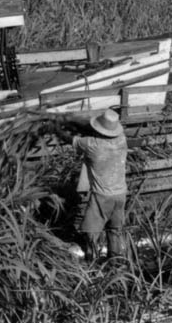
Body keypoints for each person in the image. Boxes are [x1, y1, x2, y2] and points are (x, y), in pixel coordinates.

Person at [70, 109, 128, 262]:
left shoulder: (92, 144)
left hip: (102, 196)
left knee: (91, 231)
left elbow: (72, 140)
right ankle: (116, 262)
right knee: (114, 230)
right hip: (121, 194)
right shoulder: (122, 140)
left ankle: (92, 262)